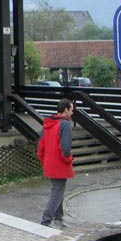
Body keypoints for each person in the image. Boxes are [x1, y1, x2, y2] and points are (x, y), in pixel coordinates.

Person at [37, 98, 75, 228]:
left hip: (49, 162)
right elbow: (65, 147)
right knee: (56, 193)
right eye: (71, 109)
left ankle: (59, 217)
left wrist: (44, 160)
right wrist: (69, 159)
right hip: (59, 164)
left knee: (58, 191)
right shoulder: (65, 125)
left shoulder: (49, 124)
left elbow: (40, 145)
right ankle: (46, 221)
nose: (72, 112)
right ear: (66, 110)